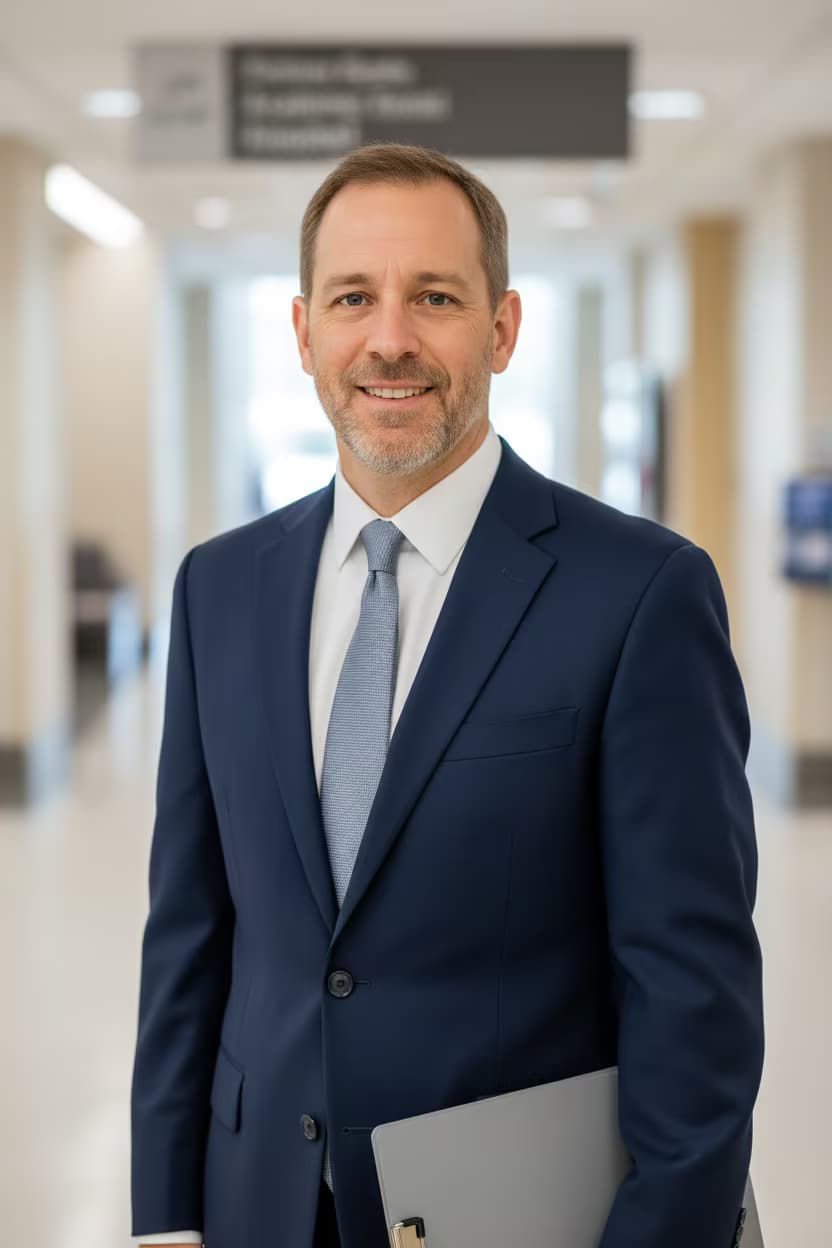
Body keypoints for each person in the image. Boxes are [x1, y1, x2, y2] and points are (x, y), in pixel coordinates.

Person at [130, 142, 764, 1248]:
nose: (389, 339)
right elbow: (190, 935)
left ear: (503, 327)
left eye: (434, 296)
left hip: (514, 1212)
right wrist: (164, 1216)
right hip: (256, 1202)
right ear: (301, 332)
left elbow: (690, 990)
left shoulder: (640, 593)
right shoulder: (217, 590)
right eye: (352, 298)